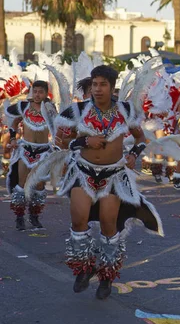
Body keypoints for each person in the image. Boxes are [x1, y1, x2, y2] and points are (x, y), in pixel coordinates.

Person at [54, 65, 162, 300]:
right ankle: (83, 269)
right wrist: (84, 141)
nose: (97, 89)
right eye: (94, 84)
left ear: (113, 88)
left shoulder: (125, 110)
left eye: (103, 84)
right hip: (83, 173)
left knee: (108, 225)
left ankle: (106, 275)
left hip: (113, 176)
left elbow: (140, 137)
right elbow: (63, 141)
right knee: (78, 221)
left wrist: (133, 154)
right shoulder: (78, 110)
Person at [5, 80, 55, 231]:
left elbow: (58, 126)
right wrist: (13, 138)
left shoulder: (50, 108)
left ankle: (34, 217)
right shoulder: (24, 106)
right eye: (35, 91)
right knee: (22, 184)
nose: (37, 95)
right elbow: (13, 123)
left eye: (41, 92)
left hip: (43, 152)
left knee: (39, 186)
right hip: (25, 150)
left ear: (46, 93)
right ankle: (19, 218)